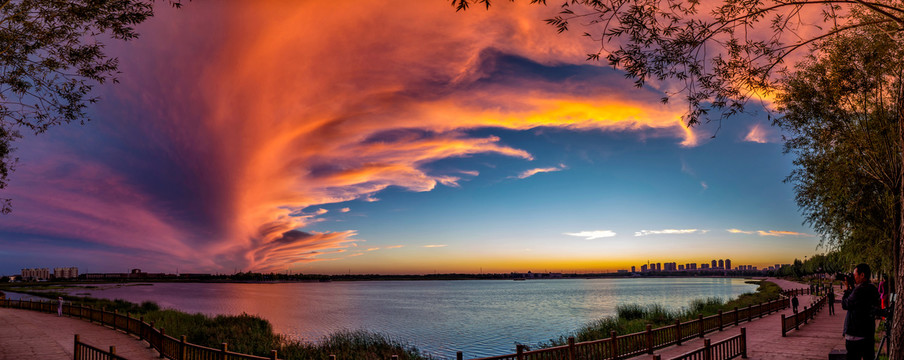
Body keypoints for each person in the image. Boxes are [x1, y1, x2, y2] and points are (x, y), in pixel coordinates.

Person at [841, 263, 880, 360]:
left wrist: (847, 289)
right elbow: (857, 302)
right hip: (868, 334)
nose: (853, 278)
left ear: (862, 275)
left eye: (855, 275)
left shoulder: (859, 290)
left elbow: (845, 304)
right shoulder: (872, 289)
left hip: (855, 336)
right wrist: (852, 288)